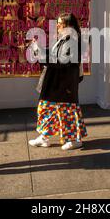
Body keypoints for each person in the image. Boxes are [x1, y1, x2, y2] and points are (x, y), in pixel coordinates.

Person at [28, 13, 87, 150]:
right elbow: (54, 55)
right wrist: (39, 48)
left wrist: (40, 53)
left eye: (61, 23)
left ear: (69, 25)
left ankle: (74, 140)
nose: (58, 25)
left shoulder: (72, 41)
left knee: (67, 111)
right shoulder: (64, 39)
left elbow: (61, 61)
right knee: (46, 108)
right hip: (56, 82)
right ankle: (44, 137)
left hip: (64, 84)